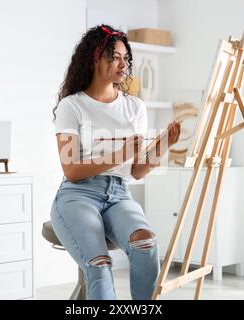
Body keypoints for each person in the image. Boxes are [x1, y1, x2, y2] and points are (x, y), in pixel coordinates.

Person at [50, 24, 181, 300]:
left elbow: (136, 171)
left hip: (118, 194)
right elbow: (71, 169)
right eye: (116, 56)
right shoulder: (71, 106)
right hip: (78, 195)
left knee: (145, 242)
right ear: (96, 57)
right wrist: (118, 155)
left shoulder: (135, 107)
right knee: (99, 263)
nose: (124, 63)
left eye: (126, 58)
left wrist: (164, 146)